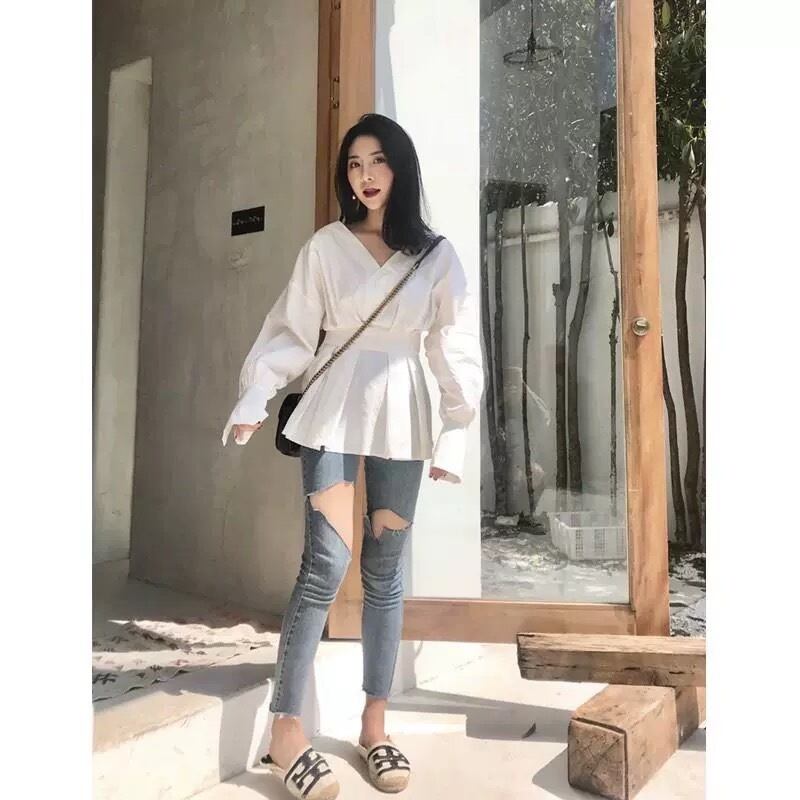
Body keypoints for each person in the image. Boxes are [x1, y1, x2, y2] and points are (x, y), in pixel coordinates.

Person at [221, 113, 483, 799]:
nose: (365, 176)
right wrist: (256, 394)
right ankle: (285, 731)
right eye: (354, 164)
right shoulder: (326, 247)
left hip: (403, 413)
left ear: (401, 168)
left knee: (385, 571)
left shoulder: (436, 256)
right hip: (334, 407)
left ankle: (375, 724)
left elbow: (452, 343)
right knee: (325, 565)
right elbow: (292, 330)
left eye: (378, 161)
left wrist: (455, 427)